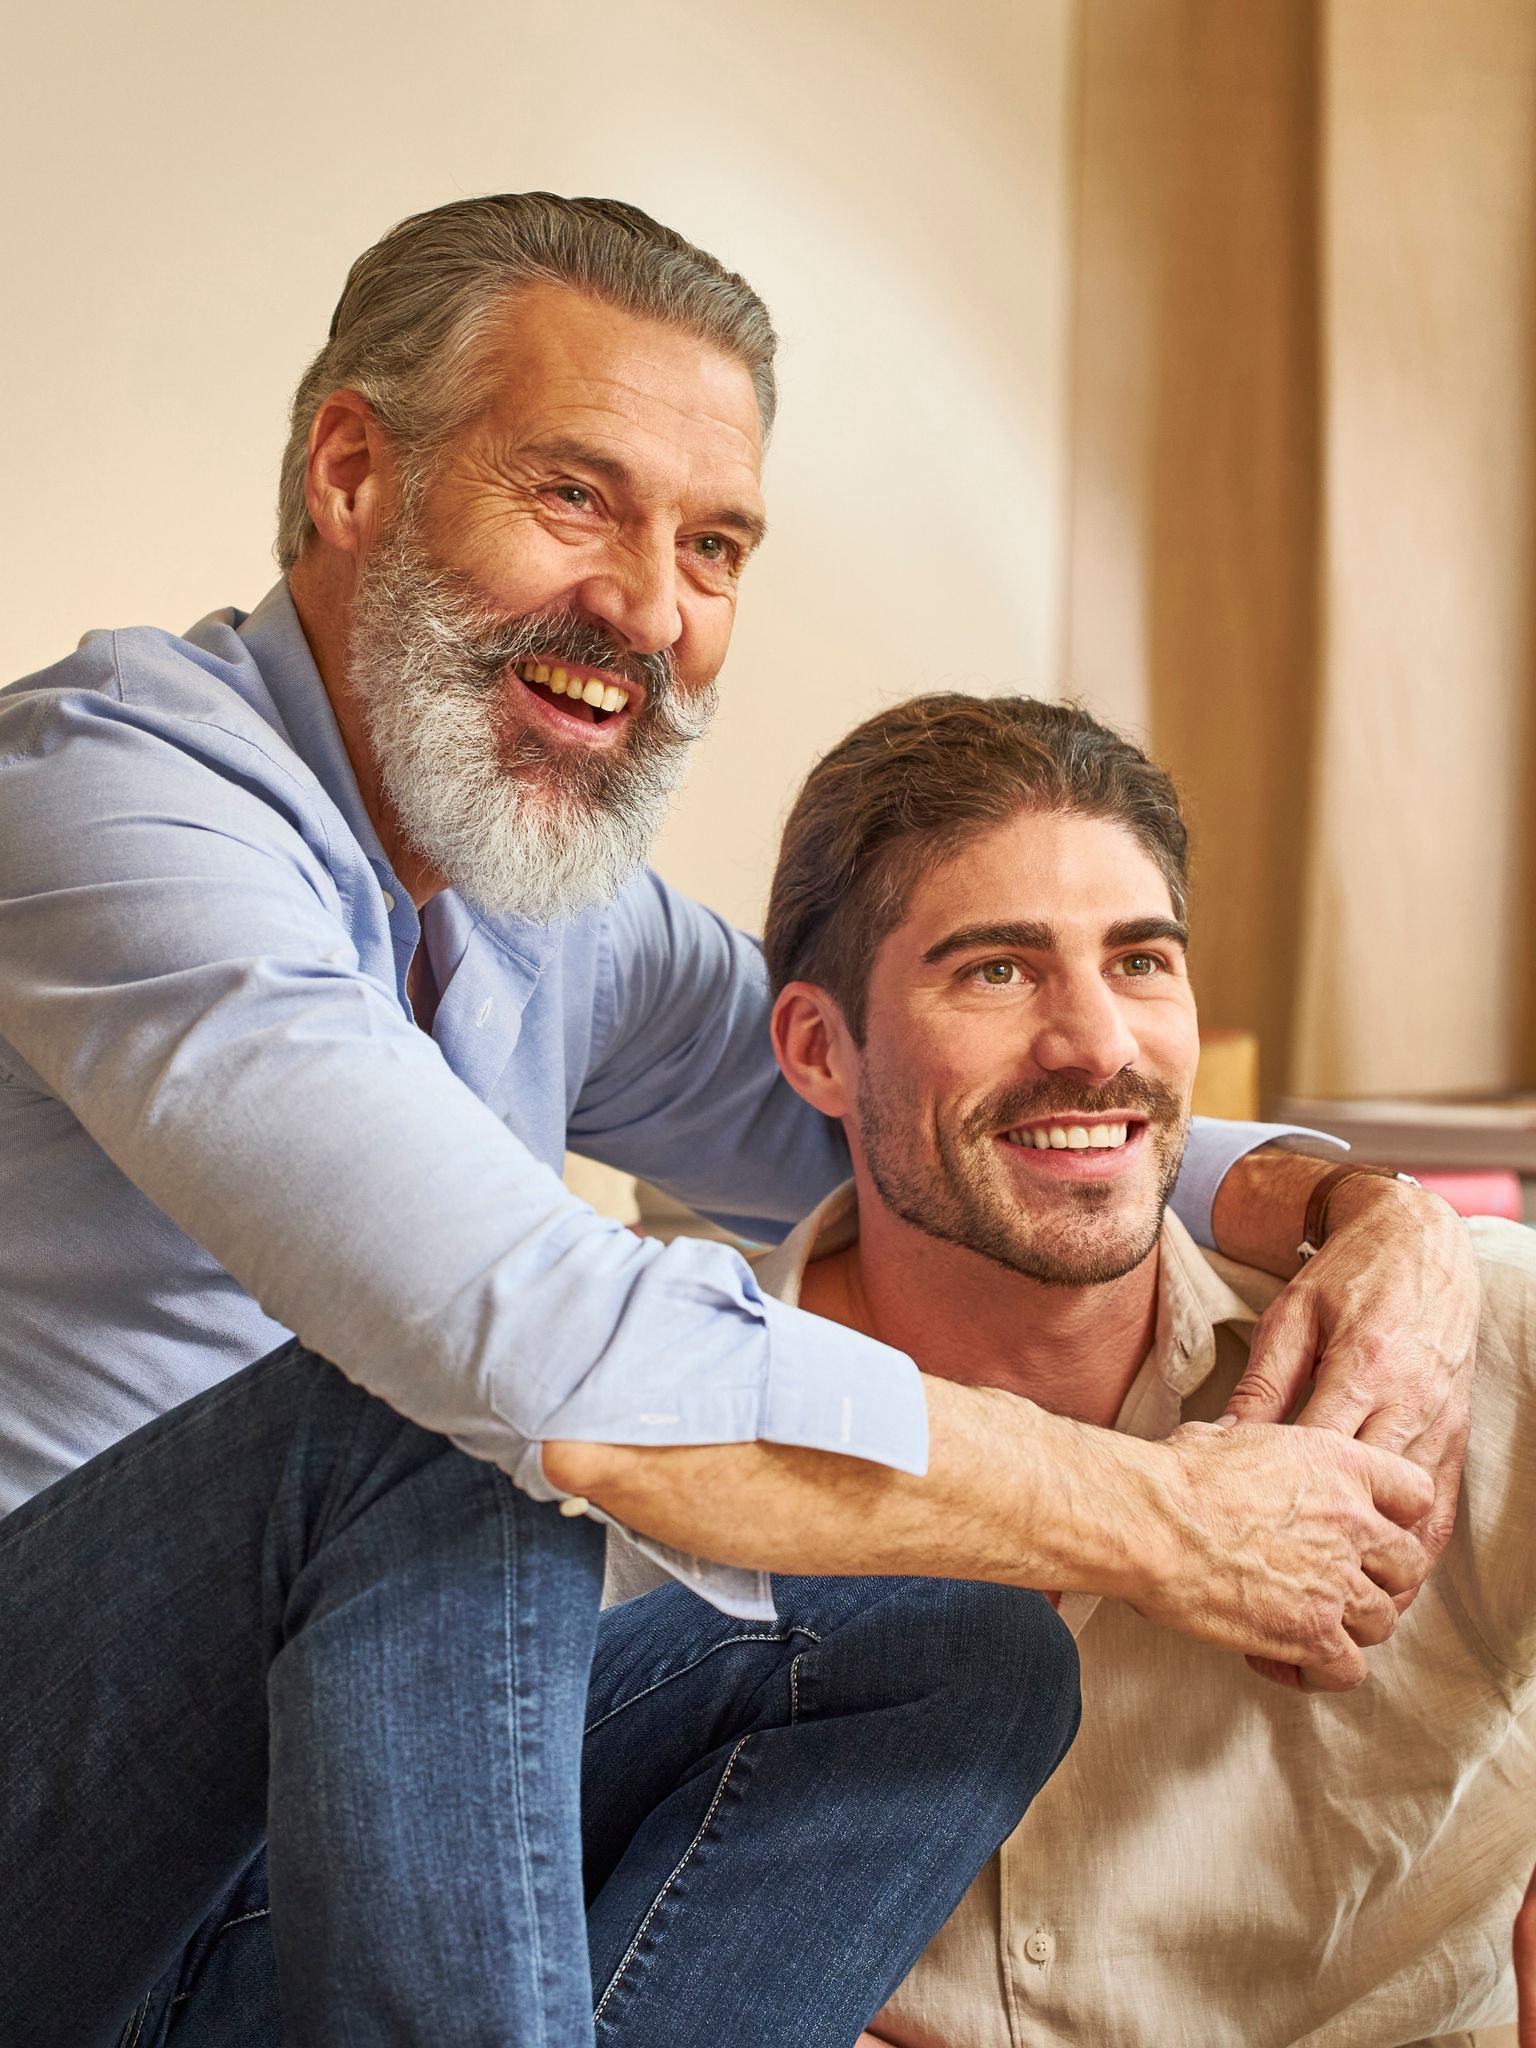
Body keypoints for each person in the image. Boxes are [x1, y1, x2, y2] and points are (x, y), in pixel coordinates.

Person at [0, 194, 1470, 2045]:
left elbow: (930, 1116)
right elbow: (539, 1358)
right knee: (440, 1419)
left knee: (959, 1663)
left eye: (713, 546)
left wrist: (1360, 1215)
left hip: (294, 1865)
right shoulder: (107, 807)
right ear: (354, 473)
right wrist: (1169, 1518)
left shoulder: (540, 904)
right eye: (575, 499)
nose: (648, 610)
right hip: (46, 1856)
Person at [587, 690, 1534, 2046]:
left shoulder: (1463, 1340)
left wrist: (1388, 1213)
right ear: (817, 1049)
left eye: (1142, 963)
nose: (1097, 1044)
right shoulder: (645, 1457)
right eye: (996, 970)